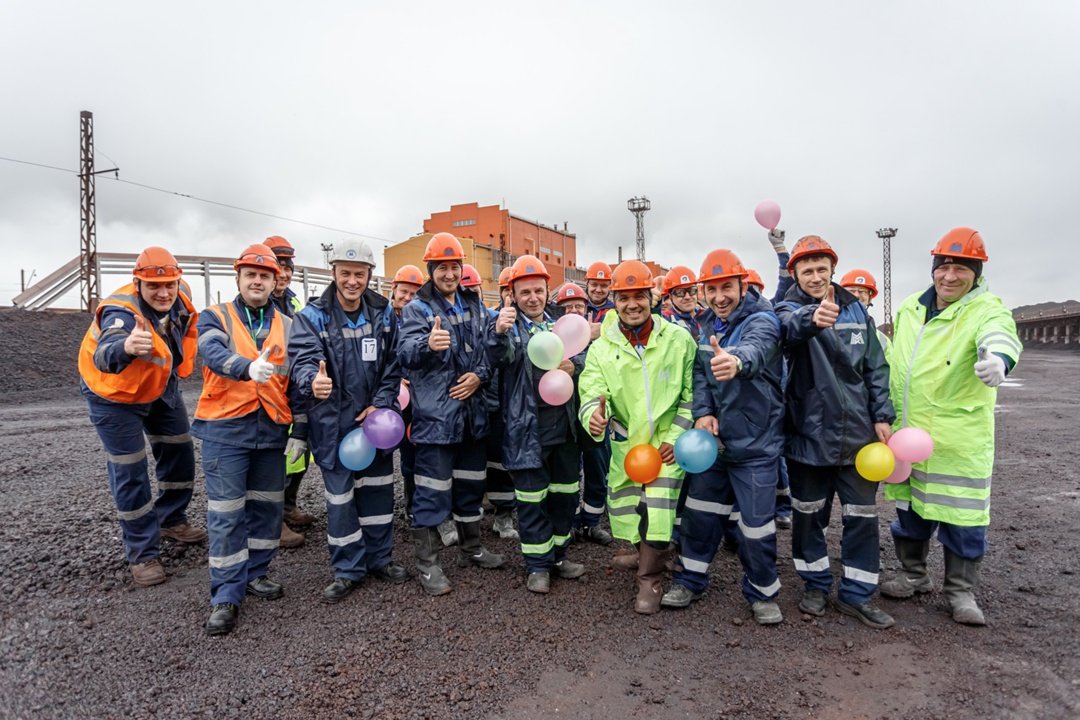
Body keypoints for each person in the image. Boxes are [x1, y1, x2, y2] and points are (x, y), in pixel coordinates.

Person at [880, 228, 1021, 625]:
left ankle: (961, 593)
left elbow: (1000, 334)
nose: (950, 276)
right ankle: (913, 575)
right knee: (909, 511)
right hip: (907, 435)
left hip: (956, 439)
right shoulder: (911, 307)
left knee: (963, 517)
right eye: (944, 266)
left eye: (961, 268)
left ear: (976, 273)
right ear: (933, 269)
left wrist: (1000, 359)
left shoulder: (985, 308)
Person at [775, 235, 897, 629]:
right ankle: (814, 584)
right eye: (806, 270)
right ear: (795, 273)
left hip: (859, 437)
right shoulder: (787, 309)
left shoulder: (857, 311)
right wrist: (811, 320)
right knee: (808, 516)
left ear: (832, 269)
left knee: (862, 517)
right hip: (808, 436)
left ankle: (857, 595)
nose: (814, 276)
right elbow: (787, 329)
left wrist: (883, 414)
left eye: (820, 268)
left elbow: (876, 369)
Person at [662, 250, 786, 624]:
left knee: (756, 526)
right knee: (700, 517)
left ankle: (763, 593)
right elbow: (701, 377)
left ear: (741, 286)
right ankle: (690, 580)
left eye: (727, 287)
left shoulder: (763, 319)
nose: (719, 296)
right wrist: (703, 413)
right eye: (712, 289)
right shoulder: (706, 324)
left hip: (755, 445)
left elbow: (756, 350)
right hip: (713, 445)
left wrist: (736, 362)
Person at [288, 238, 407, 603]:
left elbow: (394, 363)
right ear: (333, 272)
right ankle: (347, 569)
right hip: (332, 424)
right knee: (340, 501)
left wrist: (381, 402)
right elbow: (302, 359)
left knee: (378, 494)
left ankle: (379, 559)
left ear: (370, 275)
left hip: (374, 421)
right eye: (345, 273)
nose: (352, 280)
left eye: (359, 274)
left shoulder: (384, 313)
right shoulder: (311, 317)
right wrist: (313, 380)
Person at [78, 247, 205, 588]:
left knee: (179, 450)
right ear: (138, 283)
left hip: (159, 386)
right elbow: (107, 351)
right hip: (114, 395)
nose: (163, 293)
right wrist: (125, 347)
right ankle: (142, 552)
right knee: (130, 470)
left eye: (170, 285)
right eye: (152, 286)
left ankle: (170, 519)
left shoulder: (181, 296)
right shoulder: (120, 312)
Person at [578, 260, 697, 614]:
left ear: (651, 298)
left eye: (639, 296)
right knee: (627, 506)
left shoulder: (678, 340)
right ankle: (642, 552)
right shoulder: (602, 348)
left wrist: (676, 436)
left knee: (659, 507)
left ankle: (651, 580)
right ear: (614, 301)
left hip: (665, 444)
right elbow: (591, 390)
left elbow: (691, 394)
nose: (633, 304)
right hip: (626, 444)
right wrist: (593, 416)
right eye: (624, 297)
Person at [193, 244, 299, 636]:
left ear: (275, 282)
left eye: (265, 275)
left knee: (267, 510)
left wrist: (300, 430)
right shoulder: (214, 316)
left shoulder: (289, 325)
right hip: (226, 430)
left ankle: (256, 573)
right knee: (226, 514)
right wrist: (245, 366)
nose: (257, 281)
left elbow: (297, 380)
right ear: (238, 279)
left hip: (271, 429)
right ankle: (225, 594)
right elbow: (211, 351)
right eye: (250, 275)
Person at [399, 232, 503, 596]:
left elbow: (491, 349)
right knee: (431, 491)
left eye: (454, 266)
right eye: (442, 267)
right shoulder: (418, 309)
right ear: (431, 270)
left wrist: (479, 377)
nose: (449, 273)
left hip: (472, 416)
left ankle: (470, 549)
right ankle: (428, 566)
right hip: (437, 417)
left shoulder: (475, 304)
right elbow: (406, 354)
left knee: (471, 487)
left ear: (462, 268)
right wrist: (426, 345)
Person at [489, 256, 586, 593]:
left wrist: (577, 367)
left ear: (548, 292)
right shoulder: (505, 326)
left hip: (565, 430)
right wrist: (499, 332)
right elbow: (496, 359)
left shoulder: (561, 325)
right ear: (512, 294)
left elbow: (583, 357)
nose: (533, 297)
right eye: (525, 291)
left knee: (565, 497)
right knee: (531, 500)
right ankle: (537, 566)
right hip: (527, 430)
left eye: (539, 290)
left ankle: (559, 556)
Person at [458, 264, 520, 540]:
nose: (470, 293)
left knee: (500, 464)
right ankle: (463, 524)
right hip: (467, 404)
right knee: (465, 467)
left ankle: (504, 517)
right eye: (465, 290)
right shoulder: (454, 322)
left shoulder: (493, 318)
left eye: (474, 289)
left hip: (496, 403)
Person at [553, 283, 614, 546]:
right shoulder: (550, 339)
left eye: (579, 305)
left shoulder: (601, 338)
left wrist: (576, 362)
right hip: (563, 417)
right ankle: (571, 521)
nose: (574, 310)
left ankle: (592, 522)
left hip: (594, 414)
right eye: (567, 307)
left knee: (597, 467)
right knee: (567, 473)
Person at [262, 235, 309, 548]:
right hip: (266, 388)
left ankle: (288, 504)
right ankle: (272, 519)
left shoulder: (292, 301)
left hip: (293, 384)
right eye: (279, 266)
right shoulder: (258, 302)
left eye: (289, 266)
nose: (286, 272)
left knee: (301, 450)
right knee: (273, 455)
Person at [390, 265, 424, 524]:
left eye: (414, 293)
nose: (408, 297)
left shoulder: (422, 319)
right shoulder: (384, 319)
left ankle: (414, 503)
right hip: (392, 395)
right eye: (404, 291)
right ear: (394, 290)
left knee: (415, 450)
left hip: (418, 396)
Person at [839, 269, 890, 350]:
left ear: (870, 298)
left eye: (862, 291)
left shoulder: (882, 340)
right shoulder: (828, 325)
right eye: (851, 290)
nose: (856, 295)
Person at [662, 266, 706, 342]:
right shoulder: (665, 319)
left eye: (692, 290)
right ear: (671, 296)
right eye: (680, 293)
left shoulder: (707, 315)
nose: (687, 297)